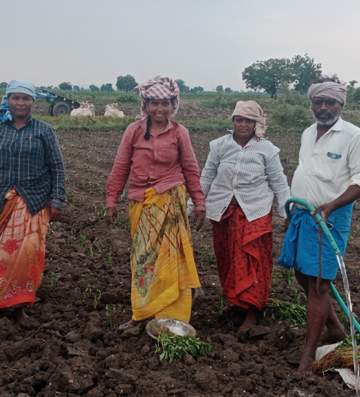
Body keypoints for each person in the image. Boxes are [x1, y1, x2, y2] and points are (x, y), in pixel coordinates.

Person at [278, 80, 360, 372]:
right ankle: (334, 330)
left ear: (340, 105)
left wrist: (331, 205)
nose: (322, 108)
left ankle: (308, 354)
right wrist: (293, 210)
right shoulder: (308, 133)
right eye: (317, 103)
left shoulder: (354, 137)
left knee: (319, 283)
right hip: (302, 213)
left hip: (330, 217)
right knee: (302, 276)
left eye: (329, 103)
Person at [105, 76, 205, 330]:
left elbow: (191, 168)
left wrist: (199, 202)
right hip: (141, 200)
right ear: (145, 105)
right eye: (154, 103)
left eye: (165, 103)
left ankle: (172, 315)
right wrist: (111, 199)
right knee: (143, 258)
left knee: (173, 257)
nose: (160, 109)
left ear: (173, 105)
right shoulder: (133, 131)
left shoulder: (180, 132)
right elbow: (120, 166)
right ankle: (142, 313)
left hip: (170, 198)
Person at [0, 79, 66, 325]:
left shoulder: (44, 131)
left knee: (26, 257)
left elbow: (57, 167)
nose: (21, 103)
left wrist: (57, 200)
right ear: (8, 100)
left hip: (33, 202)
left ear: (33, 102)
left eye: (26, 99)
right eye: (16, 98)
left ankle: (18, 307)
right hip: (0, 200)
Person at [200, 101, 291, 333]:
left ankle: (252, 312)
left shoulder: (266, 149)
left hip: (255, 213)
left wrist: (287, 212)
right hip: (224, 212)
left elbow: (279, 181)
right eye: (238, 119)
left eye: (248, 121)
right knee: (229, 259)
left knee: (254, 261)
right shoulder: (219, 145)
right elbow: (207, 175)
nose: (242, 124)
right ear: (233, 122)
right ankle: (235, 304)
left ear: (256, 124)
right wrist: (195, 204)